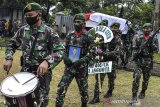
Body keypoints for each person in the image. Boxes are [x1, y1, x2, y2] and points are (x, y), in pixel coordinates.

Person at [3, 2, 64, 107]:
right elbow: (11, 44)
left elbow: (60, 50)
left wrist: (47, 61)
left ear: (39, 15)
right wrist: (9, 57)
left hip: (41, 74)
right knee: (23, 101)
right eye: (26, 16)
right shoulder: (22, 30)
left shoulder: (49, 32)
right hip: (25, 72)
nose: (27, 18)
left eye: (30, 15)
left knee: (40, 101)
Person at [55, 13, 94, 107]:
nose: (76, 23)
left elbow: (93, 52)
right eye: (75, 22)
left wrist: (82, 60)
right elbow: (64, 49)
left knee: (83, 91)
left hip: (81, 68)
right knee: (61, 88)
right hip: (69, 67)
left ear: (84, 24)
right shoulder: (69, 34)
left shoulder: (89, 36)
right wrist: (65, 57)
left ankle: (84, 104)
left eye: (79, 22)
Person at [89, 22, 123, 104]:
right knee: (99, 79)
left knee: (111, 78)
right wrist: (98, 51)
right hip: (103, 61)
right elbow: (97, 47)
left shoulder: (118, 40)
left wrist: (104, 53)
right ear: (109, 28)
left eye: (116, 28)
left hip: (112, 62)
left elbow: (117, 52)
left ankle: (110, 91)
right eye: (113, 27)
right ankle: (96, 97)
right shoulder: (103, 37)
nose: (114, 29)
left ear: (118, 29)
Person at [130, 23, 158, 105]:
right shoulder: (137, 37)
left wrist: (151, 42)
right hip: (138, 60)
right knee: (137, 77)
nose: (147, 30)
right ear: (143, 29)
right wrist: (137, 53)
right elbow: (134, 47)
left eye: (148, 28)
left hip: (148, 61)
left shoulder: (153, 38)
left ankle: (143, 91)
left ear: (151, 29)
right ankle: (134, 96)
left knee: (146, 79)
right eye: (145, 28)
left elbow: (156, 49)